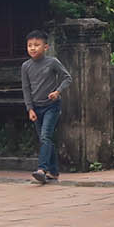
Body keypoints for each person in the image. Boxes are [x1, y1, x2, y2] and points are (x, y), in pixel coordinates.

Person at [20, 30, 71, 184]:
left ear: (46, 47)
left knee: (45, 137)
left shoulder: (52, 62)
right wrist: (30, 109)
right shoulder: (25, 66)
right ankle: (54, 172)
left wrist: (57, 91)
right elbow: (26, 89)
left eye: (37, 45)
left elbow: (67, 78)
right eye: (30, 45)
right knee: (46, 139)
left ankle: (42, 169)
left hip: (51, 106)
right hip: (36, 107)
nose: (33, 48)